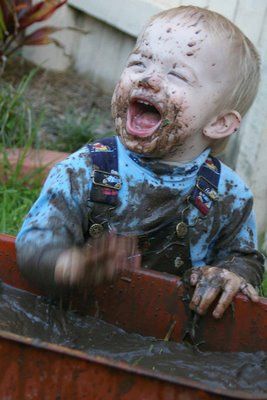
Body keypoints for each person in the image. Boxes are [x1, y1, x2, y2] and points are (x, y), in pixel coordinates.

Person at [16, 5, 265, 319]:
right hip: (76, 319)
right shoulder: (82, 172)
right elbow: (31, 247)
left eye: (177, 74)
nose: (148, 79)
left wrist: (231, 275)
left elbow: (245, 259)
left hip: (170, 338)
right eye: (139, 63)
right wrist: (72, 266)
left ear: (219, 123)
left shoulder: (229, 196)